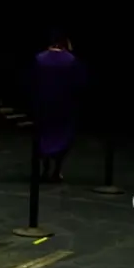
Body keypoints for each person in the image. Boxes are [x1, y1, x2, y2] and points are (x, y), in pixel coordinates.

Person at [33, 32, 86, 182]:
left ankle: (45, 168)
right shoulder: (71, 61)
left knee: (43, 135)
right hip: (65, 106)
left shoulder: (39, 59)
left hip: (43, 105)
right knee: (62, 136)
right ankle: (57, 169)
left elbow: (31, 83)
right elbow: (79, 84)